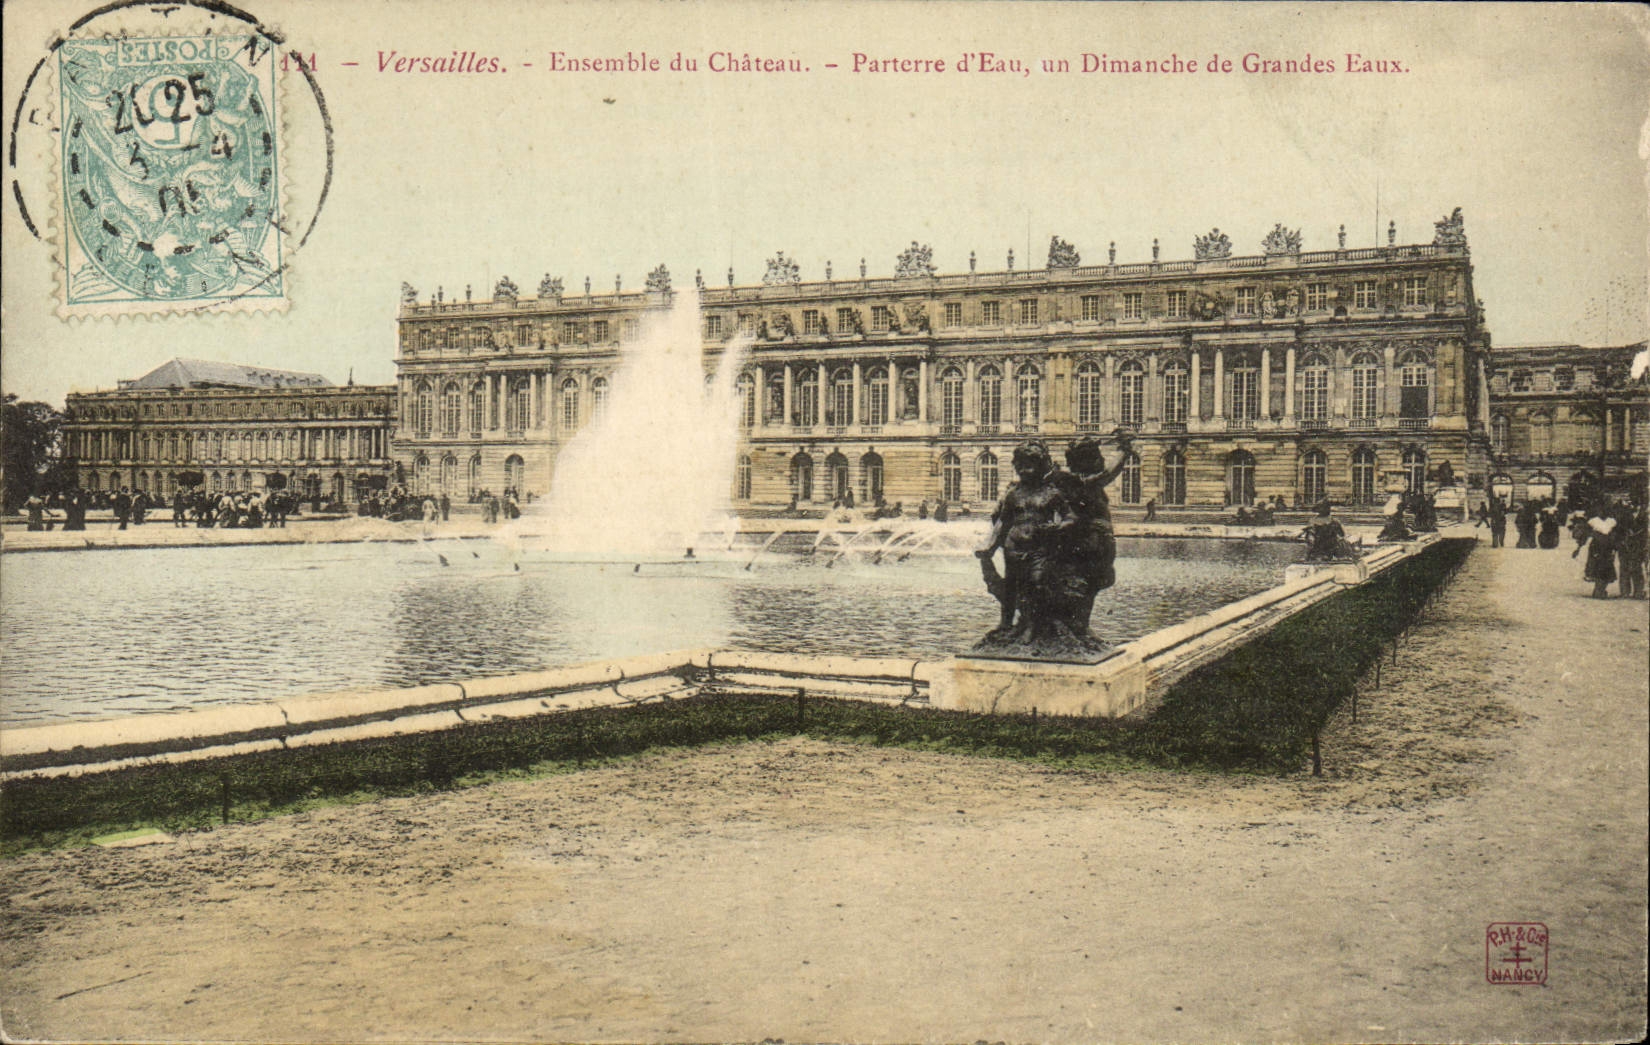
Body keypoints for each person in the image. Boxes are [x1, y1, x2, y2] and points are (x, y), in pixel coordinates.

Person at [1573, 513, 1618, 599]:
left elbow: (1616, 535)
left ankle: (1600, 589)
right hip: (1596, 547)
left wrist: (1615, 546)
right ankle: (1598, 590)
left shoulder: (1612, 522)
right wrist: (1578, 547)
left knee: (1606, 569)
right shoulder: (1593, 522)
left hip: (1608, 547)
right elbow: (1584, 535)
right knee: (1597, 568)